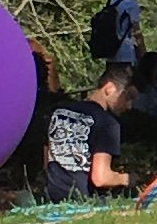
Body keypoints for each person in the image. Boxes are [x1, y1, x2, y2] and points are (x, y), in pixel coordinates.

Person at [42, 66, 135, 203]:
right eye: (127, 97)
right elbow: (101, 178)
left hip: (53, 198)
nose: (129, 106)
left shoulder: (59, 112)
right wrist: (127, 179)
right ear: (109, 88)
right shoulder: (107, 123)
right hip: (84, 202)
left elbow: (47, 163)